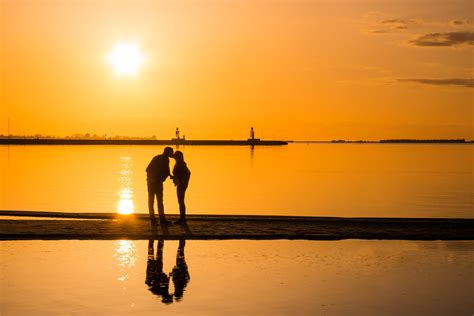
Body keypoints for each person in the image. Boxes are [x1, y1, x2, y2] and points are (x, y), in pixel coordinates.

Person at [146, 147, 174, 225]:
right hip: (155, 182)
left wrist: (169, 175)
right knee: (157, 201)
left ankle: (155, 219)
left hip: (153, 182)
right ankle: (159, 219)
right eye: (172, 152)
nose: (173, 153)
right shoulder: (164, 159)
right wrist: (153, 179)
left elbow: (166, 171)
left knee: (153, 201)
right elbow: (148, 170)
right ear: (168, 153)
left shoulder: (158, 158)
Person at [172, 151, 191, 224]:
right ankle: (182, 218)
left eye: (176, 156)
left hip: (181, 185)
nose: (174, 157)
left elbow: (188, 173)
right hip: (180, 184)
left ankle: (182, 219)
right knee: (180, 201)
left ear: (178, 157)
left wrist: (183, 181)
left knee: (181, 201)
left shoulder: (181, 164)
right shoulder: (178, 163)